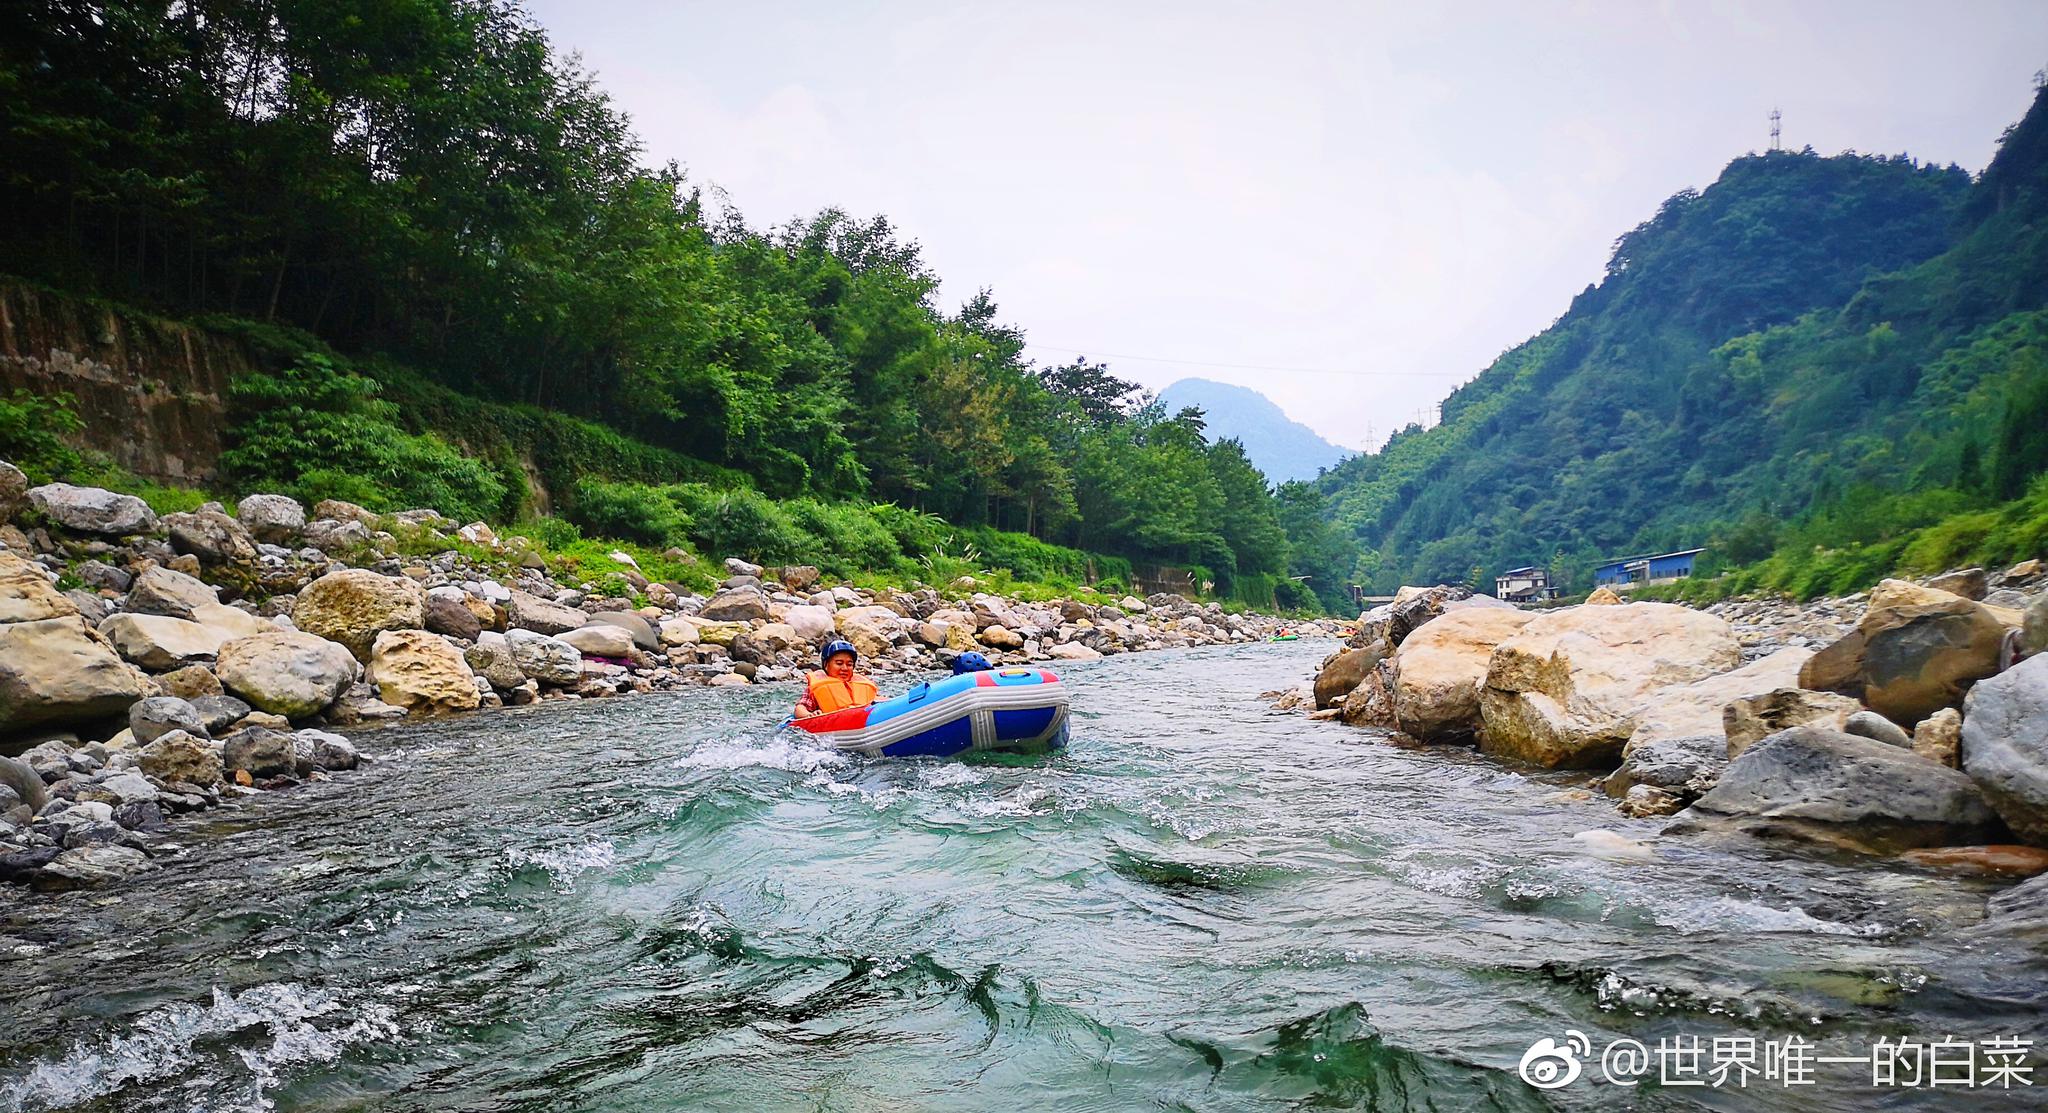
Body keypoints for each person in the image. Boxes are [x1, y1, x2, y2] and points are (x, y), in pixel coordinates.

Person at [794, 639, 879, 719]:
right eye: (839, 663)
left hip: (863, 719)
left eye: (849, 664)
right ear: (826, 665)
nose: (845, 668)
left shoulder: (864, 684)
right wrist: (809, 715)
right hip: (831, 722)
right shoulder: (817, 687)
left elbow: (878, 702)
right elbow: (800, 708)